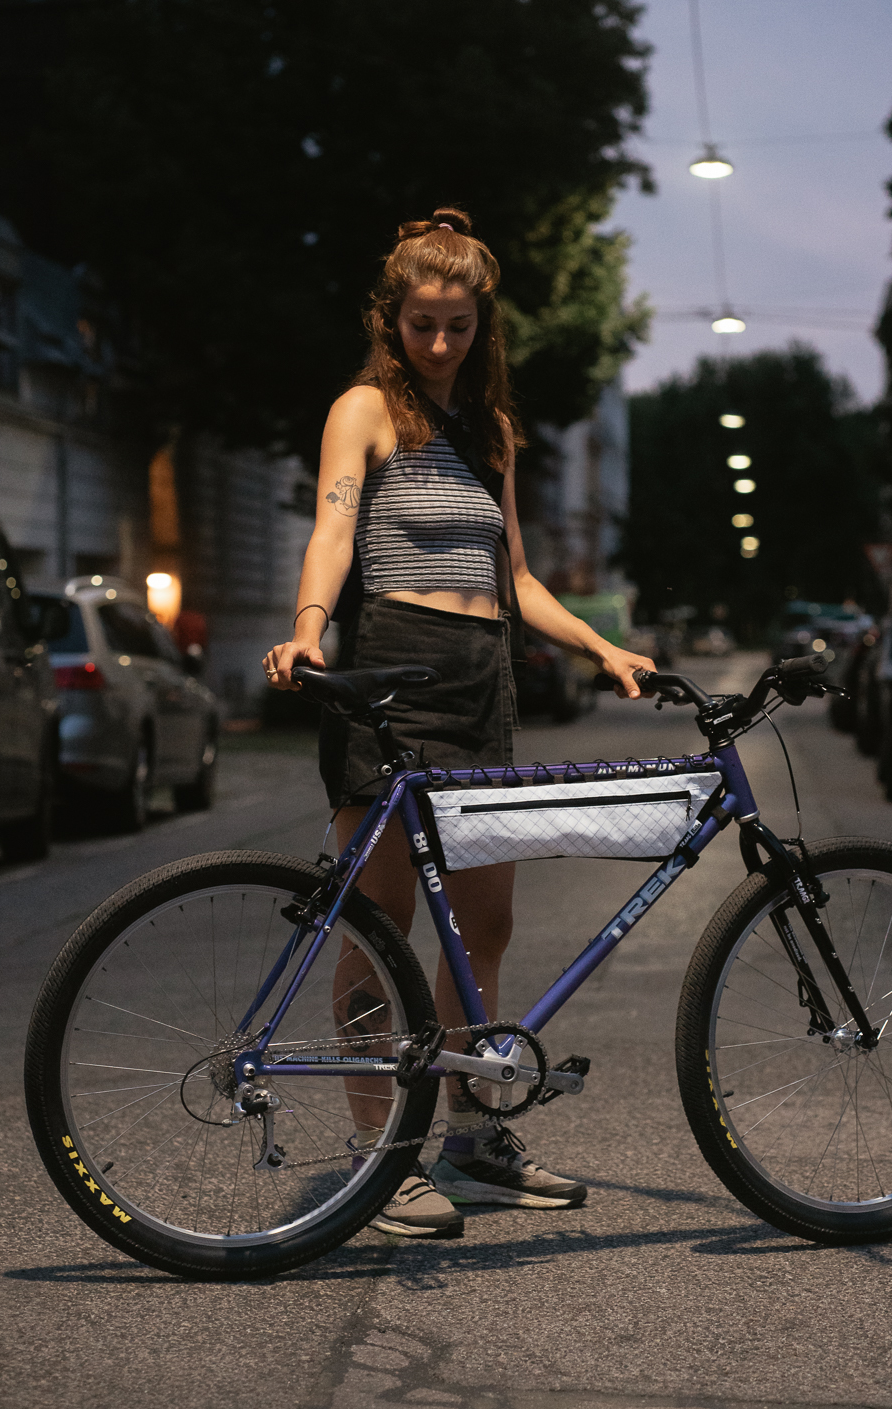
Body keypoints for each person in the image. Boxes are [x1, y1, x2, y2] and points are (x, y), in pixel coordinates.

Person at [264, 206, 653, 1239]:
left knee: (483, 926)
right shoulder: (364, 410)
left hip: (484, 687)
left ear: (483, 326)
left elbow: (516, 577)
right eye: (422, 324)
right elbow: (333, 532)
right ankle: (378, 1160)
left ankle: (471, 1140)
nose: (440, 343)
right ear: (391, 319)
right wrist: (308, 630)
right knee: (379, 931)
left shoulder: (493, 432)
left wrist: (603, 649)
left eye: (459, 326)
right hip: (393, 679)